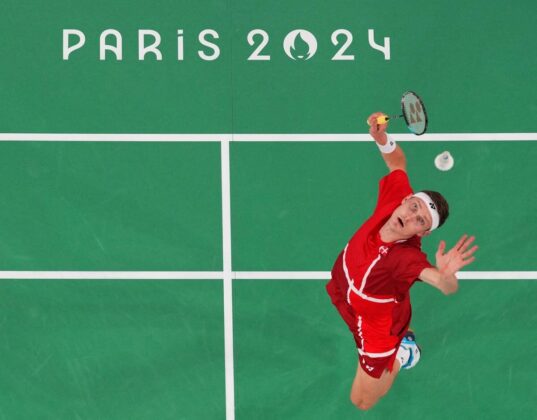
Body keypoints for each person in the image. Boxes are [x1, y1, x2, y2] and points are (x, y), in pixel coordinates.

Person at [326, 112, 478, 410]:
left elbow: (443, 285)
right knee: (348, 300)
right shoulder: (395, 200)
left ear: (423, 232)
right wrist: (382, 139)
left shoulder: (405, 259)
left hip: (377, 327)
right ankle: (401, 334)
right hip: (345, 289)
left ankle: (403, 354)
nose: (410, 216)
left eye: (420, 220)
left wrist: (446, 275)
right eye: (413, 207)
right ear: (405, 200)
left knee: (361, 400)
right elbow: (397, 163)